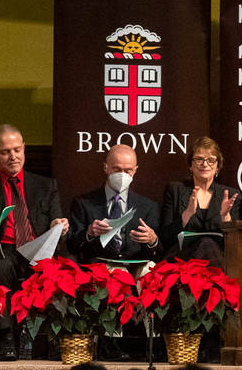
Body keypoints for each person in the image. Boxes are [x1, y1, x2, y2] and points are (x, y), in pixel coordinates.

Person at [0, 124, 69, 361]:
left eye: (17, 150)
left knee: (58, 268)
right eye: (5, 152)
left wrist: (59, 226)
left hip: (38, 249)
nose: (13, 156)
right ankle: (6, 338)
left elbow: (57, 221)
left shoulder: (46, 185)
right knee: (1, 266)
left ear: (24, 148)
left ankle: (54, 339)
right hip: (3, 249)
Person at [67, 144, 160, 361]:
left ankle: (153, 342)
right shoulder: (84, 203)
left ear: (135, 171)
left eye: (127, 170)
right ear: (106, 168)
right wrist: (89, 233)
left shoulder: (148, 206)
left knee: (151, 272)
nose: (122, 174)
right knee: (117, 275)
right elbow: (72, 244)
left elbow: (158, 250)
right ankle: (111, 341)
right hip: (103, 262)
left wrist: (152, 240)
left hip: (136, 262)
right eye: (117, 169)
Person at [160, 136, 241, 267]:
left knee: (207, 244)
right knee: (205, 243)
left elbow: (235, 243)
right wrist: (187, 215)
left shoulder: (229, 195)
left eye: (211, 160)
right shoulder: (175, 190)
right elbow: (165, 237)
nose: (205, 164)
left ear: (217, 167)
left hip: (217, 257)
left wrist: (225, 217)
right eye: (199, 159)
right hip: (182, 258)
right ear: (190, 166)